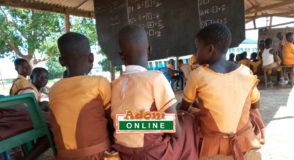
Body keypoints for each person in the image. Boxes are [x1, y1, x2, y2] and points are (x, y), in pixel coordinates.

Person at [111, 25, 199, 160]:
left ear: (121, 56)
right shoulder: (155, 78)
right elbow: (174, 130)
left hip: (123, 151)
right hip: (150, 153)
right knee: (187, 121)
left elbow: (125, 122)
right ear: (149, 51)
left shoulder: (114, 85)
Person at [180, 23, 265, 160]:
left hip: (213, 145)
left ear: (210, 49)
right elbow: (255, 105)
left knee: (187, 117)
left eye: (198, 48)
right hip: (245, 142)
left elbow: (184, 107)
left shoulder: (198, 75)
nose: (196, 54)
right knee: (251, 113)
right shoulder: (246, 72)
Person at [49, 32, 115, 160]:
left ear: (61, 62)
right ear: (91, 57)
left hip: (64, 156)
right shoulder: (99, 82)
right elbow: (113, 120)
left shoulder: (53, 89)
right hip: (99, 154)